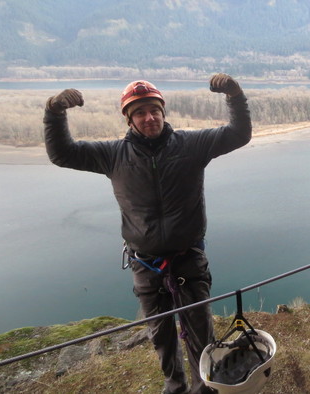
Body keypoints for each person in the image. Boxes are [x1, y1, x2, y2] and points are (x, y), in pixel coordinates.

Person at [43, 75, 251, 394]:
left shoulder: (191, 146)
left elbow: (238, 134)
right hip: (146, 265)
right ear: (129, 119)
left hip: (188, 260)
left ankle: (203, 388)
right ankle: (174, 386)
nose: (149, 117)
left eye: (154, 110)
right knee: (161, 334)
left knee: (199, 332)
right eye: (140, 112)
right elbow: (63, 154)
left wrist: (234, 96)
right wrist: (54, 113)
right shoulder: (113, 155)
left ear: (163, 112)